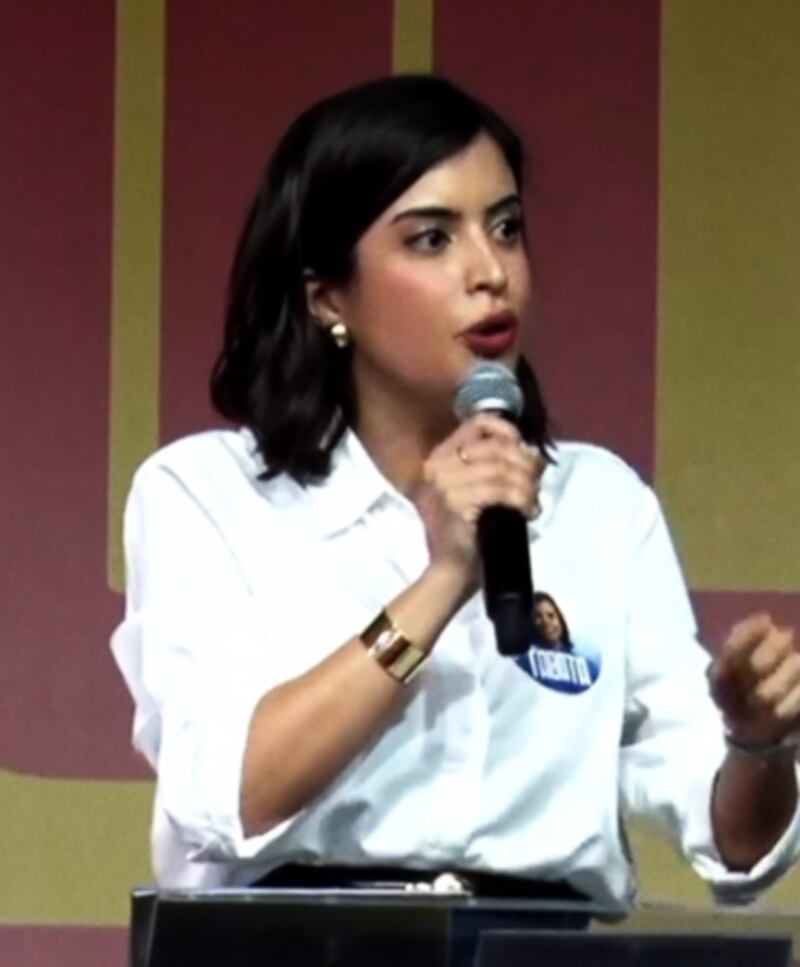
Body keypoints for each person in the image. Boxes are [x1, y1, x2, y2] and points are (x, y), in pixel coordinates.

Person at [112, 76, 800, 913]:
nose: (490, 272)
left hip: (541, 945)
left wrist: (760, 746)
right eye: (432, 239)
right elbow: (226, 796)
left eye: (505, 227)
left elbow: (735, 843)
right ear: (328, 296)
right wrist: (442, 582)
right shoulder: (210, 493)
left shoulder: (602, 504)